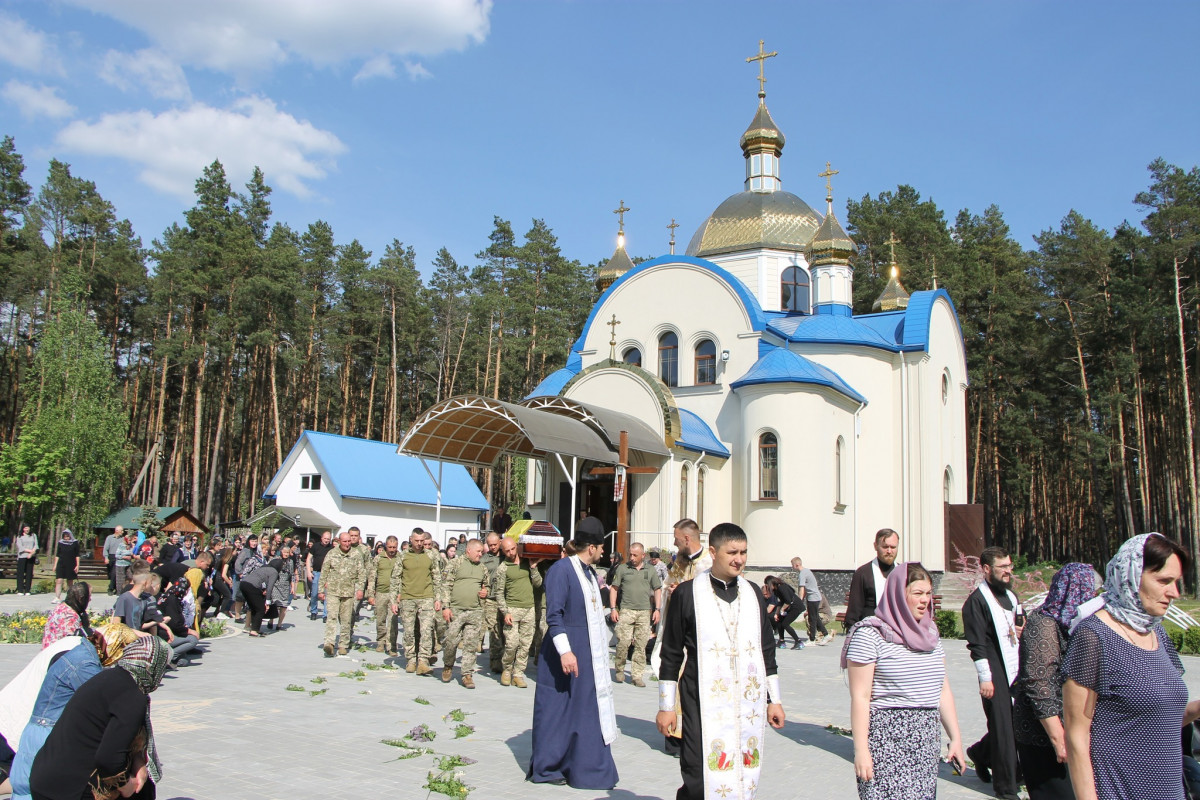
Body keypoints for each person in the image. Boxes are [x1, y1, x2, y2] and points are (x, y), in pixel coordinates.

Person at [1064, 533, 1200, 800]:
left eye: (1175, 582)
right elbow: (1077, 737)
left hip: (1170, 791)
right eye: (1164, 581)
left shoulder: (1156, 633)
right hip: (1120, 790)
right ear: (1131, 576)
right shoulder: (1093, 637)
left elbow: (1161, 717)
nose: (1174, 593)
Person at [656, 523, 785, 800]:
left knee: (742, 771)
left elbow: (766, 650)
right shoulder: (688, 593)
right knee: (698, 772)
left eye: (744, 552)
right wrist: (666, 707)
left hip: (744, 703)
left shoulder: (752, 594)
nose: (739, 559)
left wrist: (774, 699)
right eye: (732, 552)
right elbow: (671, 653)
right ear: (713, 552)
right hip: (699, 700)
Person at [845, 562, 967, 800]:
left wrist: (956, 738)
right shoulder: (870, 635)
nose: (925, 600)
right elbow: (860, 697)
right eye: (917, 593)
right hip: (886, 740)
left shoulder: (930, 635)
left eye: (929, 594)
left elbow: (942, 689)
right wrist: (861, 750)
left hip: (925, 739)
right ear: (898, 595)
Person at [528, 526, 619, 790]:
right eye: (601, 547)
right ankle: (549, 765)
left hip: (588, 650)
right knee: (558, 709)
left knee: (585, 708)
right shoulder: (561, 570)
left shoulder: (590, 572)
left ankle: (583, 765)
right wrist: (566, 651)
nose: (603, 552)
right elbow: (554, 615)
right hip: (565, 651)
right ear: (591, 547)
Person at [29, 636, 170, 800]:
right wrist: (126, 785)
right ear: (153, 667)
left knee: (144, 789)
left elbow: (120, 742)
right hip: (68, 788)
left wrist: (139, 761)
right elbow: (109, 760)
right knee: (139, 792)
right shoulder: (132, 696)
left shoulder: (110, 678)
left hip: (46, 777)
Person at [1011, 562, 1094, 800]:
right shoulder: (1043, 622)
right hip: (1043, 734)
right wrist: (1059, 738)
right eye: (1087, 590)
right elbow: (1038, 682)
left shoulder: (1076, 625)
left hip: (1071, 731)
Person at [963, 546, 1024, 800]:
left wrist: (1023, 629)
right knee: (1002, 726)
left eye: (1009, 566)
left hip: (1014, 664)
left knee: (1017, 723)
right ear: (987, 569)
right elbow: (976, 643)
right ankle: (1006, 788)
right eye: (1003, 568)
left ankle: (981, 753)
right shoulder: (976, 602)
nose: (1008, 572)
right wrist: (985, 678)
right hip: (992, 667)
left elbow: (1020, 621)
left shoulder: (1011, 596)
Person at [655, 518, 714, 757]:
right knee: (672, 680)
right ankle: (673, 737)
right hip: (677, 631)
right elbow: (669, 585)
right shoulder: (678, 562)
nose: (674, 542)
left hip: (697, 636)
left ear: (687, 538)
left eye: (677, 538)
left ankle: (689, 736)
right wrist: (671, 592)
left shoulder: (708, 564)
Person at [492, 537, 544, 687]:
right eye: (507, 550)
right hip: (512, 610)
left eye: (513, 549)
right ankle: (507, 669)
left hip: (529, 608)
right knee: (511, 643)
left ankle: (518, 673)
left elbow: (538, 584)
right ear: (503, 551)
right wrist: (505, 612)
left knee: (525, 644)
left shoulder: (527, 562)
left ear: (517, 547)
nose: (511, 553)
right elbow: (499, 593)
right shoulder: (503, 568)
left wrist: (534, 568)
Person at [389, 529, 443, 673]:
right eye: (417, 541)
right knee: (409, 632)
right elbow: (395, 579)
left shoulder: (431, 555)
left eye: (422, 541)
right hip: (408, 598)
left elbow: (437, 578)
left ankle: (423, 661)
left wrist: (438, 598)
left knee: (426, 631)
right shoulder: (403, 556)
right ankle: (411, 660)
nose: (420, 544)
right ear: (411, 540)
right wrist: (394, 600)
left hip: (426, 597)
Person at [438, 539, 489, 689]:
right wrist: (446, 607)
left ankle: (467, 674)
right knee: (451, 642)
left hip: (475, 611)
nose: (481, 554)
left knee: (471, 644)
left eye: (482, 552)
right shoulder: (455, 564)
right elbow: (446, 586)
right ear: (469, 550)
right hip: (456, 610)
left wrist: (486, 592)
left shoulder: (482, 568)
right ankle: (448, 665)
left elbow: (487, 586)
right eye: (478, 551)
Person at [609, 542, 662, 687]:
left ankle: (637, 675)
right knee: (623, 642)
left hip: (644, 612)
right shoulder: (622, 569)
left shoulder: (650, 570)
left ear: (643, 556)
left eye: (635, 555)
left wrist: (657, 609)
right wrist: (613, 608)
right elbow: (614, 589)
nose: (631, 557)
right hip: (626, 610)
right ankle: (619, 669)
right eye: (630, 554)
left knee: (640, 645)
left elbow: (658, 589)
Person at [318, 531, 365, 656]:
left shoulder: (356, 555)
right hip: (333, 591)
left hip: (349, 592)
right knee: (332, 617)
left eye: (349, 541)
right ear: (339, 541)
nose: (347, 544)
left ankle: (343, 644)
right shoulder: (332, 554)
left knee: (346, 620)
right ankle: (329, 643)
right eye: (345, 541)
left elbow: (361, 574)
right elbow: (324, 572)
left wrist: (360, 589)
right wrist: (321, 590)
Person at [844, 528, 900, 631]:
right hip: (870, 633)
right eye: (885, 547)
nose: (889, 551)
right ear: (875, 546)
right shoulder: (863, 573)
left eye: (893, 547)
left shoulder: (903, 573)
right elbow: (854, 611)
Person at [367, 536, 401, 655]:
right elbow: (372, 577)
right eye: (390, 547)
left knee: (393, 621)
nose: (392, 549)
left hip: (394, 594)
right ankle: (381, 641)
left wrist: (400, 593)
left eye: (394, 547)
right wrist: (371, 594)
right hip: (381, 592)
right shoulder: (378, 558)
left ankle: (391, 645)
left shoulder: (400, 558)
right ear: (386, 546)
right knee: (380, 619)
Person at [792, 556, 833, 645]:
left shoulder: (802, 573)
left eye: (792, 565)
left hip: (813, 598)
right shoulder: (807, 571)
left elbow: (802, 589)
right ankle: (826, 635)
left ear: (797, 565)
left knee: (812, 619)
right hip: (815, 597)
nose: (792, 567)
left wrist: (799, 601)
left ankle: (812, 640)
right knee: (816, 618)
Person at [480, 533, 505, 674]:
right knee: (494, 629)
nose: (493, 547)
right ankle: (495, 660)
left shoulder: (507, 556)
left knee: (506, 631)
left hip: (505, 598)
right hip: (490, 599)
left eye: (495, 544)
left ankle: (506, 659)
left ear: (500, 542)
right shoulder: (484, 560)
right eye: (490, 545)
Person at [42, 582, 91, 649]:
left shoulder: (60, 607)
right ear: (81, 599)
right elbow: (75, 643)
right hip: (57, 655)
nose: (90, 599)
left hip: (47, 651)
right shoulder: (70, 616)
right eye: (88, 597)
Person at [766, 575, 804, 649]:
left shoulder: (782, 587)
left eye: (768, 585)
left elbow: (788, 601)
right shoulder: (776, 590)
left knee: (785, 624)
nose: (768, 588)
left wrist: (782, 610)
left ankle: (798, 642)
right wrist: (777, 613)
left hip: (796, 606)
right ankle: (781, 641)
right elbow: (780, 602)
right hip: (788, 606)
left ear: (771, 583)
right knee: (779, 620)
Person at [307, 530, 333, 620]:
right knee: (314, 594)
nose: (326, 540)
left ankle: (325, 614)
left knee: (326, 594)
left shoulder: (332, 548)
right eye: (325, 538)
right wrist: (308, 572)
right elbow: (308, 558)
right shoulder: (315, 546)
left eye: (328, 539)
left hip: (327, 574)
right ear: (322, 538)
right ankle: (313, 611)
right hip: (316, 573)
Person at [15, 525, 37, 596]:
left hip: (31, 556)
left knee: (29, 573)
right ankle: (20, 590)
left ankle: (28, 590)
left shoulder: (33, 535)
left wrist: (31, 553)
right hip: (22, 556)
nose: (27, 529)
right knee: (20, 573)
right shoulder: (19, 536)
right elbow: (20, 547)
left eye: (28, 528)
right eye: (25, 528)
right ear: (23, 529)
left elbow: (36, 546)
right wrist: (30, 551)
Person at [102, 526, 125, 595]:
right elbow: (105, 548)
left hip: (119, 557)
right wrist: (106, 557)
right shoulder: (110, 538)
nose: (123, 532)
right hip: (111, 556)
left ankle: (110, 588)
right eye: (122, 530)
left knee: (114, 573)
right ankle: (115, 587)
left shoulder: (123, 539)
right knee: (111, 574)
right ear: (117, 531)